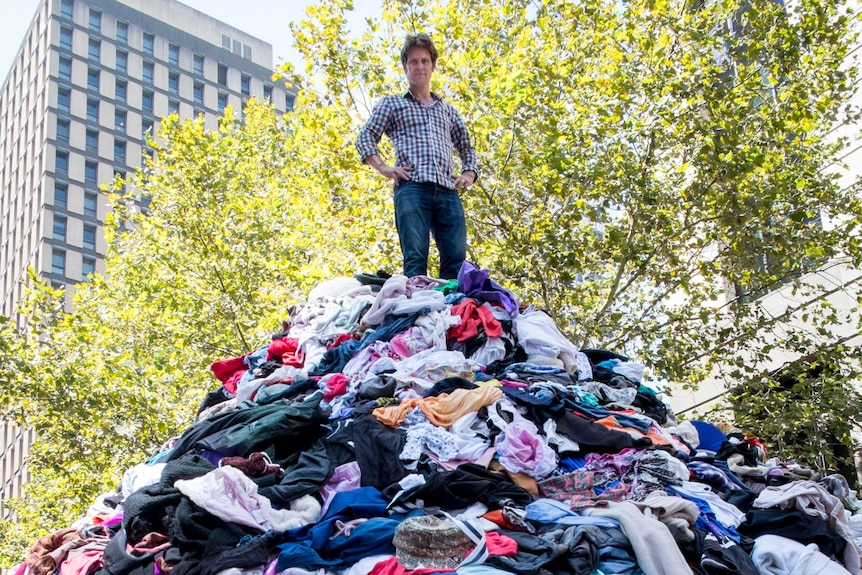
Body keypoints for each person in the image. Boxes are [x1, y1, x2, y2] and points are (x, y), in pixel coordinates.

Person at [356, 33, 478, 280]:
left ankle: (451, 313)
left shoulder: (447, 110)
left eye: (424, 61)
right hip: (412, 188)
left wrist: (468, 173)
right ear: (405, 66)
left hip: (446, 189)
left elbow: (466, 146)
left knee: (456, 258)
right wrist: (384, 168)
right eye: (413, 61)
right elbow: (365, 136)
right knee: (415, 257)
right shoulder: (393, 104)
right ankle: (417, 313)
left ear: (432, 65)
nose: (419, 66)